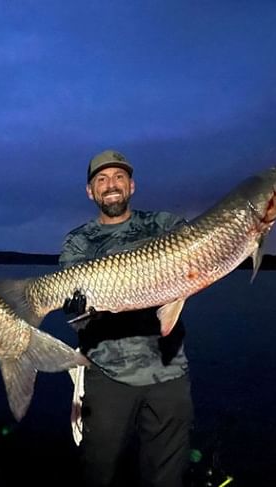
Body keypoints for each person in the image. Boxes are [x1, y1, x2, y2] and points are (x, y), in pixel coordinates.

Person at [60, 150, 193, 487]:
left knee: (166, 477)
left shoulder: (164, 225)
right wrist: (75, 308)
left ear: (132, 185)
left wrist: (263, 211)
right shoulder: (79, 241)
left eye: (118, 177)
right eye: (101, 180)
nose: (111, 185)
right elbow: (74, 316)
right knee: (98, 473)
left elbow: (205, 245)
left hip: (168, 373)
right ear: (90, 192)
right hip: (107, 377)